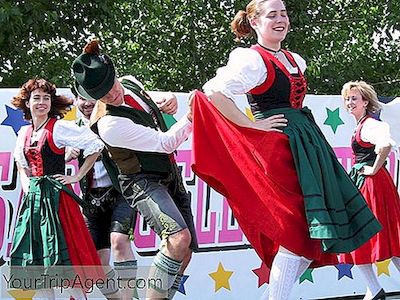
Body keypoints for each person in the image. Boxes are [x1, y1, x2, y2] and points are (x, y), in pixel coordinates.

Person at [189, 0, 381, 299]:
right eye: (272, 15)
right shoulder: (250, 59)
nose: (280, 20)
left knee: (309, 235)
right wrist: (253, 125)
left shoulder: (294, 59)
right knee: (296, 233)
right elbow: (214, 92)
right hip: (280, 149)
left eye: (283, 14)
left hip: (305, 144)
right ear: (254, 22)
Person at [71, 39, 198, 299]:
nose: (113, 94)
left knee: (185, 253)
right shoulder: (108, 124)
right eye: (103, 95)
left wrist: (167, 98)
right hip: (141, 180)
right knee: (178, 238)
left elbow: (150, 99)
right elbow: (165, 143)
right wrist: (190, 117)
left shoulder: (130, 81)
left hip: (169, 173)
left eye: (113, 85)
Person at [10, 78, 104, 299]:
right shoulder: (23, 132)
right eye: (37, 98)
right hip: (33, 204)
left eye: (46, 98)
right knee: (40, 266)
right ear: (27, 102)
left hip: (57, 202)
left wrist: (77, 176)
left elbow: (95, 145)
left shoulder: (59, 127)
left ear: (52, 103)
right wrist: (28, 186)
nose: (41, 103)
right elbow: (20, 163)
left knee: (66, 261)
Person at [66, 89, 138, 300]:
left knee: (119, 241)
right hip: (92, 200)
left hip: (121, 193)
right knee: (95, 261)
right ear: (76, 101)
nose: (87, 103)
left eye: (91, 97)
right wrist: (66, 154)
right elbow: (47, 156)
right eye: (81, 98)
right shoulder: (71, 130)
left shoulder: (113, 120)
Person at [340, 81, 400, 300]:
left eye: (354, 98)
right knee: (359, 235)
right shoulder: (361, 125)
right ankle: (373, 289)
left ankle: (374, 290)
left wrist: (374, 169)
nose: (350, 102)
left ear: (365, 102)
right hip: (364, 183)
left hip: (373, 186)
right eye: (347, 98)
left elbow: (385, 145)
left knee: (382, 235)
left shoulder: (369, 125)